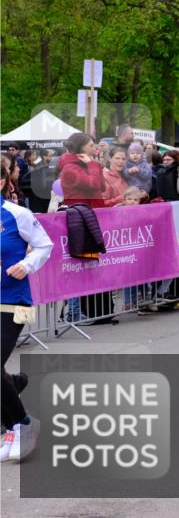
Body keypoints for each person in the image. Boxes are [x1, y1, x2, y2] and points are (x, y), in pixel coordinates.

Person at [1, 163, 54, 462]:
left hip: (12, 301)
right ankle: (11, 428)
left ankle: (23, 423)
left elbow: (44, 245)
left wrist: (27, 265)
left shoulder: (17, 214)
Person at [58, 132, 107, 207]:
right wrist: (92, 165)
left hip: (94, 210)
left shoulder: (88, 163)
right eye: (91, 145)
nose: (95, 147)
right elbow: (94, 185)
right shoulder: (70, 168)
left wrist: (96, 165)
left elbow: (103, 187)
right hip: (81, 213)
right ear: (82, 148)